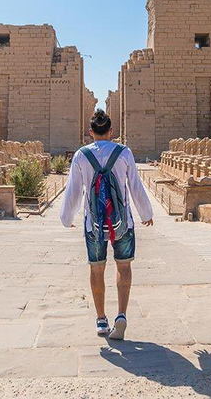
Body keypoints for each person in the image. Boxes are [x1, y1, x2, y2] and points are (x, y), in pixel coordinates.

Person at [59, 109, 153, 340]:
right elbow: (135, 186)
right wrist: (146, 213)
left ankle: (101, 319)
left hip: (94, 224)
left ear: (91, 132)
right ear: (111, 132)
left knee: (97, 268)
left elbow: (74, 190)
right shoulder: (124, 153)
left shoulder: (81, 156)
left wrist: (67, 218)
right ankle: (121, 315)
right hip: (122, 222)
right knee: (123, 267)